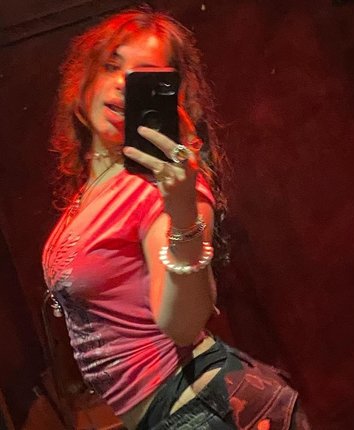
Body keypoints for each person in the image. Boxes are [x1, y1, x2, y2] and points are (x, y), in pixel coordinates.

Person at [42, 7, 310, 429]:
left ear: (170, 99)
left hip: (205, 410)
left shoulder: (160, 186)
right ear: (83, 81)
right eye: (111, 65)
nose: (123, 83)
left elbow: (183, 326)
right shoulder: (94, 190)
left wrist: (181, 206)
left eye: (144, 78)